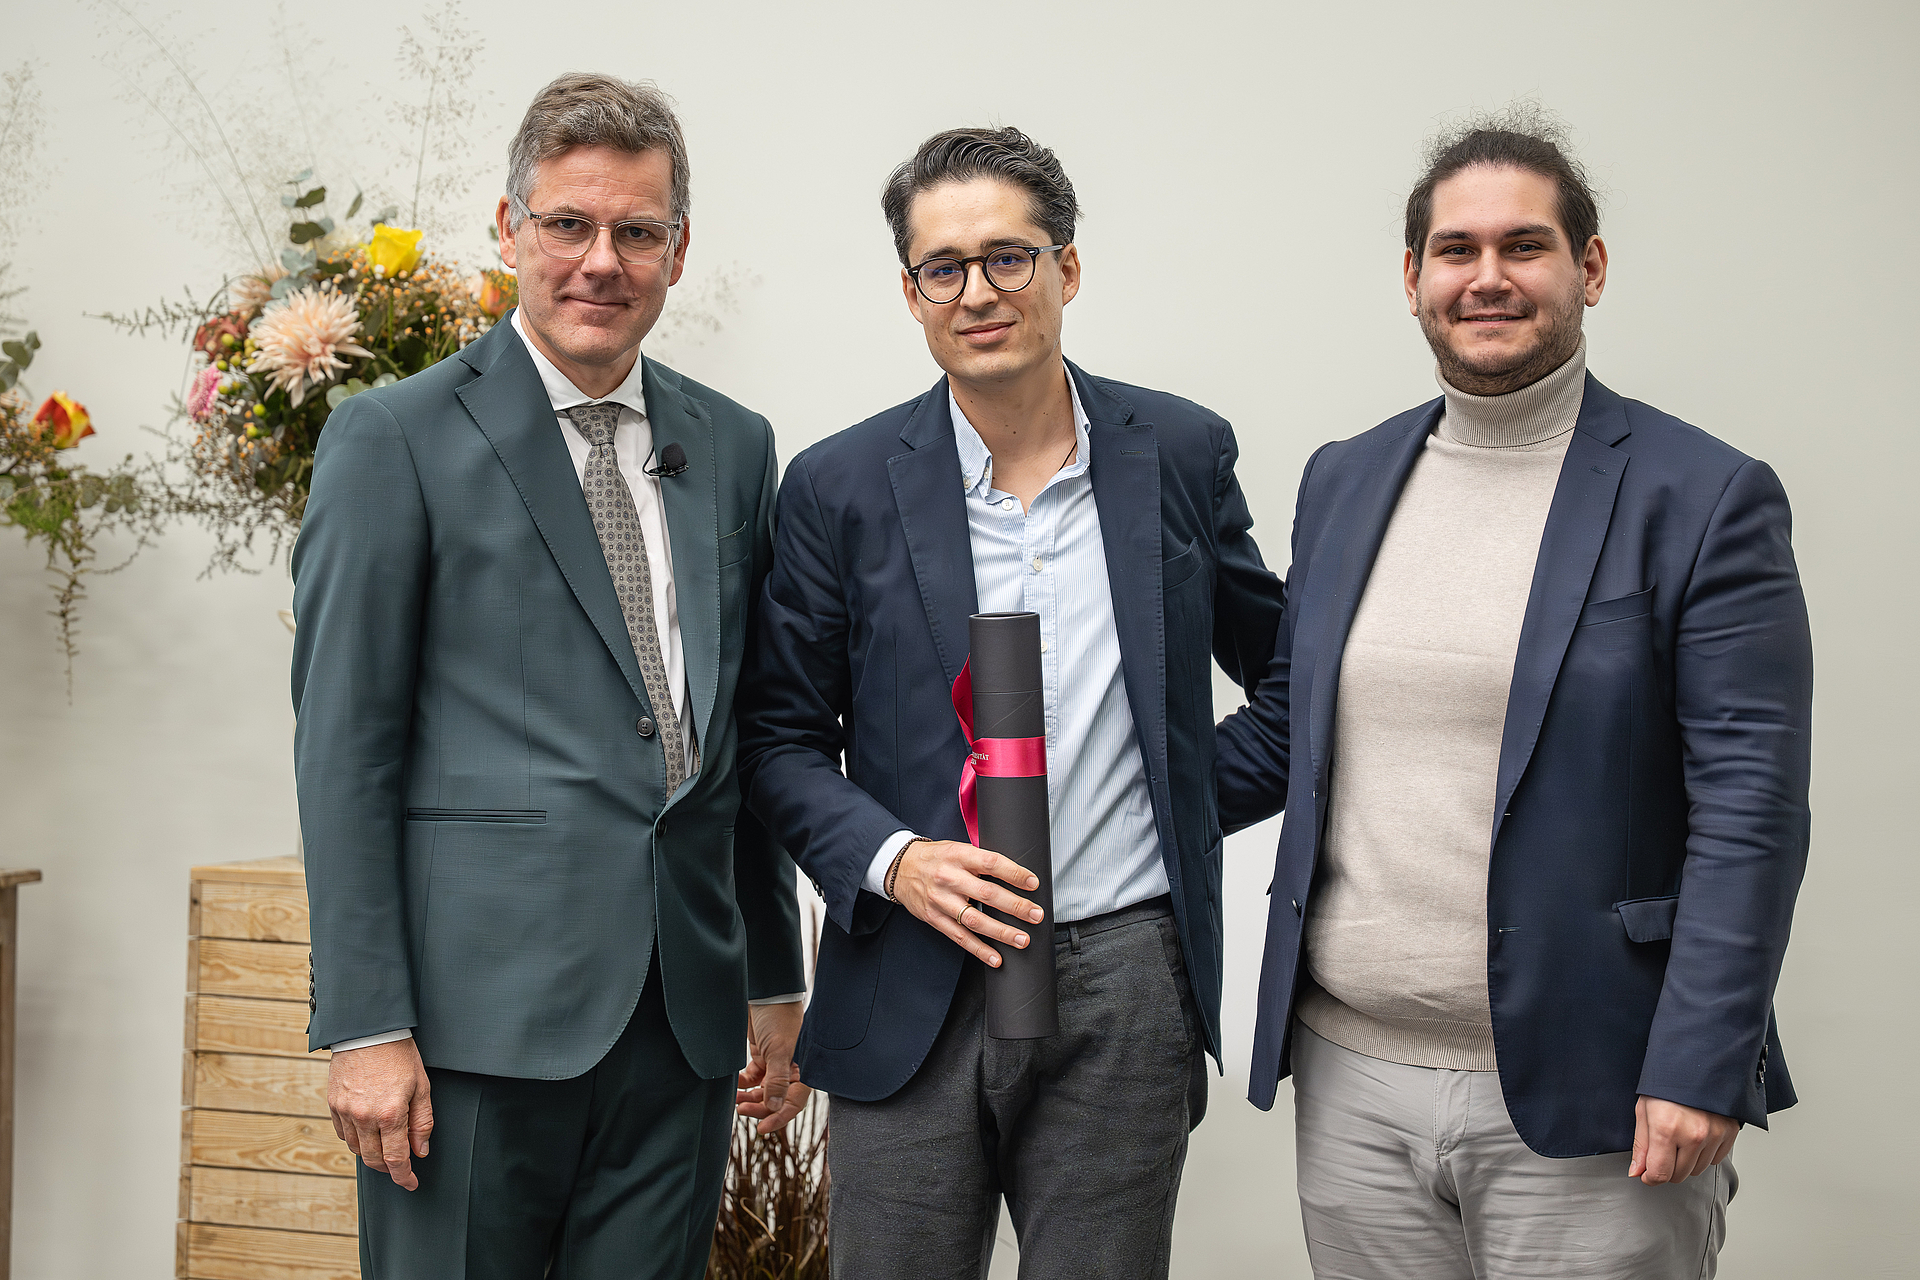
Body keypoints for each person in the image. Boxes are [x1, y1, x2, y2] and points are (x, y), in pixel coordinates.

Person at [1216, 109, 1812, 1278]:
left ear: (1589, 266)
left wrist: (1701, 1062)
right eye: (1457, 249)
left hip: (1598, 1083)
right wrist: (1086, 798)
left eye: (1523, 245)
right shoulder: (1347, 476)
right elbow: (1290, 729)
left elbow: (1751, 808)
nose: (1486, 276)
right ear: (1413, 278)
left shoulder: (1703, 496)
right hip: (1353, 1082)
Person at [736, 126, 1284, 1279]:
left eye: (1008, 257)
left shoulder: (1179, 451)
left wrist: (1175, 804)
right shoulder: (838, 486)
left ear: (1065, 268)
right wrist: (895, 861)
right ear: (911, 293)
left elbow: (1293, 683)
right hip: (910, 968)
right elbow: (779, 740)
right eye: (944, 267)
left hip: (1125, 979)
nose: (978, 292)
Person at [291, 72, 806, 1279]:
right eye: (569, 224)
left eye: (637, 231)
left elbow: (738, 728)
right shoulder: (394, 436)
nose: (601, 262)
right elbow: (344, 749)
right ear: (510, 227)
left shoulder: (735, 445)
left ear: (680, 249)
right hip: (469, 1029)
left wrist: (773, 972)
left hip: (683, 1026)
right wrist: (364, 1021)